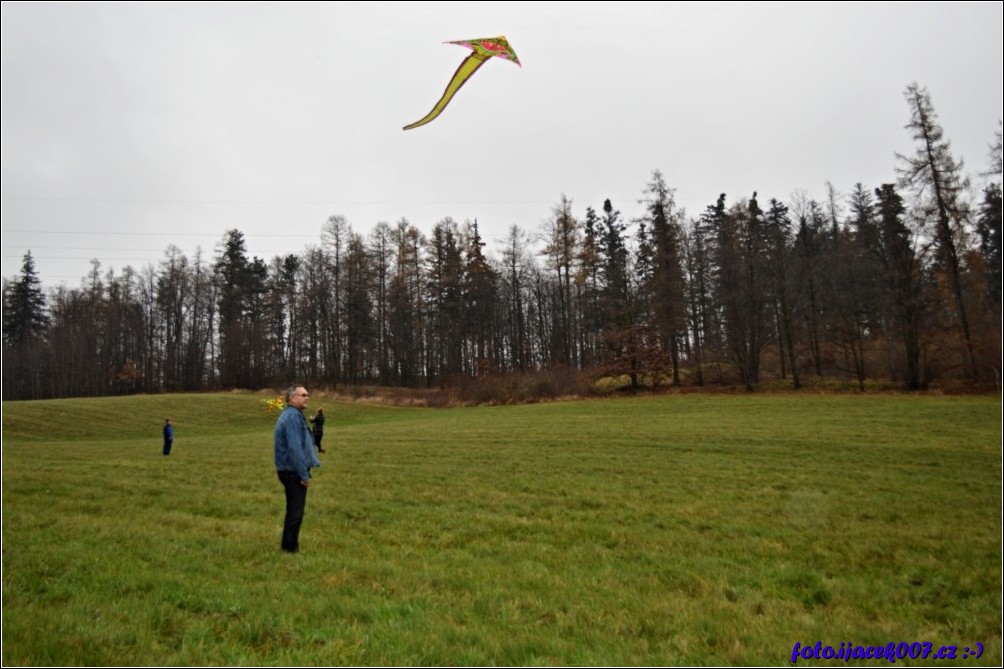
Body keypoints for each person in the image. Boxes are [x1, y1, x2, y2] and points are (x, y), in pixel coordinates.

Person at [274, 385, 321, 553]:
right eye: (303, 395)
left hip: (287, 469)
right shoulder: (293, 417)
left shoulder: (292, 415)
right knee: (296, 512)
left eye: (308, 394)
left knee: (293, 509)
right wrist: (304, 474)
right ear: (292, 398)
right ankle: (290, 548)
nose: (307, 397)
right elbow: (295, 448)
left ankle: (288, 546)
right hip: (292, 470)